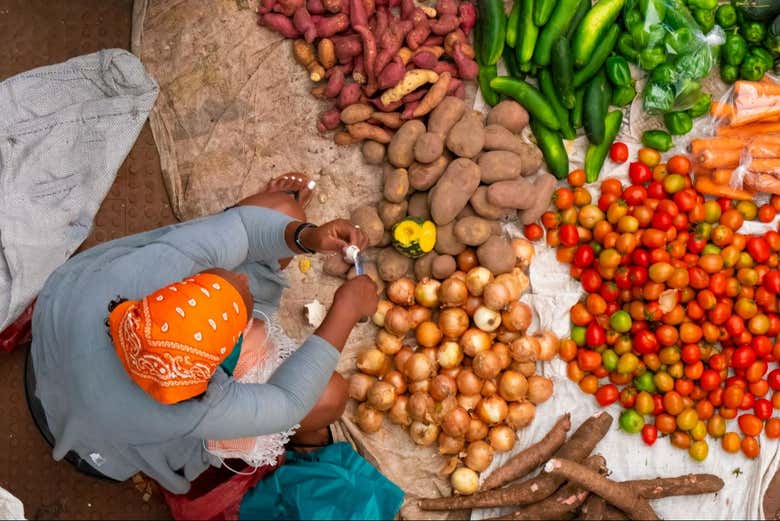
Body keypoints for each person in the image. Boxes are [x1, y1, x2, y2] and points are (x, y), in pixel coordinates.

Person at [27, 173, 379, 494]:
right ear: (210, 375)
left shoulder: (150, 274)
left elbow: (242, 229)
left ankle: (266, 234)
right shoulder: (192, 408)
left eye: (225, 281)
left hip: (61, 344)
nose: (242, 278)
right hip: (94, 439)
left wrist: (306, 237)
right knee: (329, 396)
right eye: (241, 311)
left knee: (283, 214)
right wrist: (345, 311)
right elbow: (289, 404)